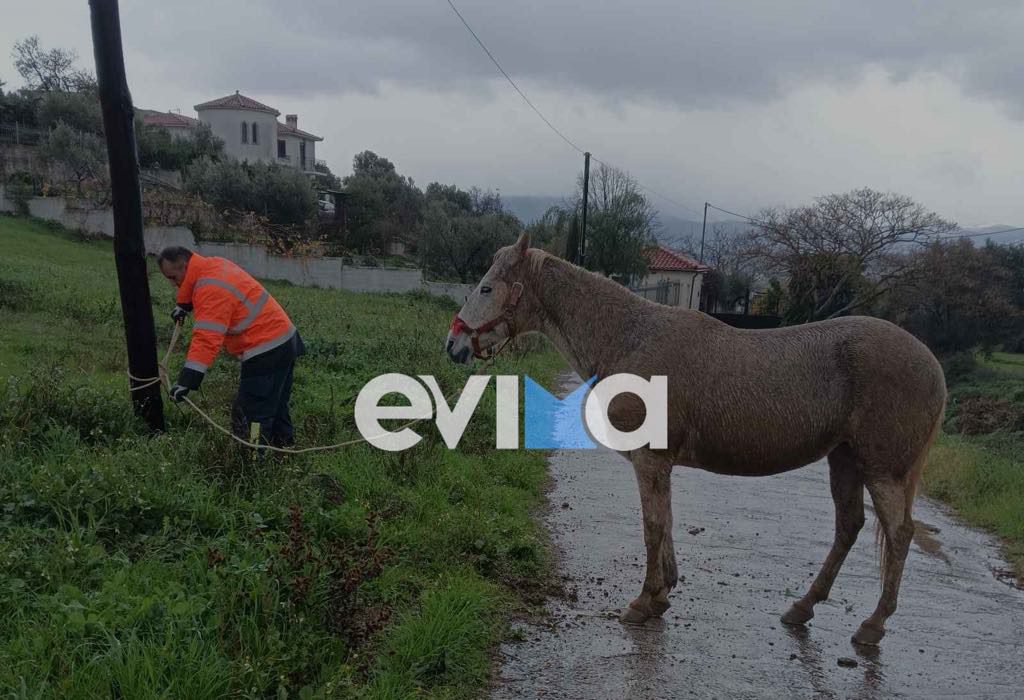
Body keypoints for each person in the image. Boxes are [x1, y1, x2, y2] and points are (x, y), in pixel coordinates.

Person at [157, 246, 305, 447]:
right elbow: (191, 284)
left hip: (265, 350)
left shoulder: (209, 289)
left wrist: (187, 381)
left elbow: (206, 338)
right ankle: (284, 451)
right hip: (284, 341)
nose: (174, 284)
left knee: (251, 413)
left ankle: (253, 460)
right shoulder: (212, 265)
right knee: (275, 404)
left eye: (173, 277)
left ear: (184, 267)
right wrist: (184, 304)